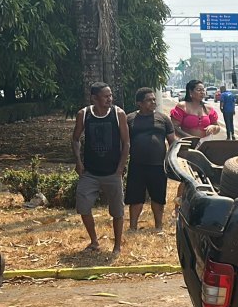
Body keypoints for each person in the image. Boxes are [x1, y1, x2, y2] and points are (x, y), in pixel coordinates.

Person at [72, 82, 129, 254]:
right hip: (90, 172)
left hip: (112, 172)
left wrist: (120, 167)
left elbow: (126, 143)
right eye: (105, 96)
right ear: (94, 98)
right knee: (83, 207)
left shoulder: (119, 114)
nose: (109, 99)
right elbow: (75, 139)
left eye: (110, 95)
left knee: (117, 211)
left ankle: (117, 246)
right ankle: (94, 241)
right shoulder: (84, 114)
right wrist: (78, 162)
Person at [126, 87, 176, 232]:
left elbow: (172, 141)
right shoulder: (130, 119)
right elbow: (124, 141)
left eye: (154, 99)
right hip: (137, 165)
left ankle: (159, 226)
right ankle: (132, 227)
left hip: (158, 165)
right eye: (149, 100)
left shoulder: (163, 119)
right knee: (135, 198)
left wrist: (171, 160)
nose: (153, 102)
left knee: (158, 197)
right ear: (139, 103)